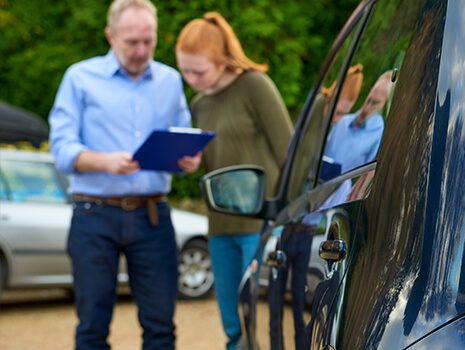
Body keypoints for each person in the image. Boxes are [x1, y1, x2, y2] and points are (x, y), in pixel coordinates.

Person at [48, 0, 200, 348]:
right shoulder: (79, 78)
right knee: (92, 327)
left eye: (149, 41)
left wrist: (188, 160)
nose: (141, 50)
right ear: (110, 35)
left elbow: (182, 137)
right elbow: (61, 148)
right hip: (93, 215)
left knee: (161, 327)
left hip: (153, 215)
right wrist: (104, 161)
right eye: (132, 42)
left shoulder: (170, 80)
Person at [175, 12, 294, 350]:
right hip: (220, 225)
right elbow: (212, 168)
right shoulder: (199, 104)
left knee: (262, 320)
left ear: (223, 58)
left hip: (261, 224)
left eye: (198, 70)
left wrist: (285, 217)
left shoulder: (255, 85)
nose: (191, 78)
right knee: (233, 325)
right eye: (185, 70)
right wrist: (190, 162)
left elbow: (289, 152)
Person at [323, 70, 394, 174]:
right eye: (368, 100)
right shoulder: (341, 120)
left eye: (374, 103)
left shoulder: (380, 138)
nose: (366, 108)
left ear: (386, 104)